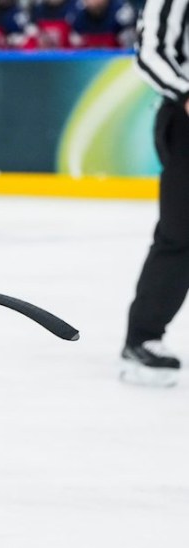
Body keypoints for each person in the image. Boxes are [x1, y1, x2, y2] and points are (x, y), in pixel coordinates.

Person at [122, 0, 188, 387]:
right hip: (185, 120)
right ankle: (143, 335)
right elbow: (151, 52)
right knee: (180, 234)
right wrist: (185, 92)